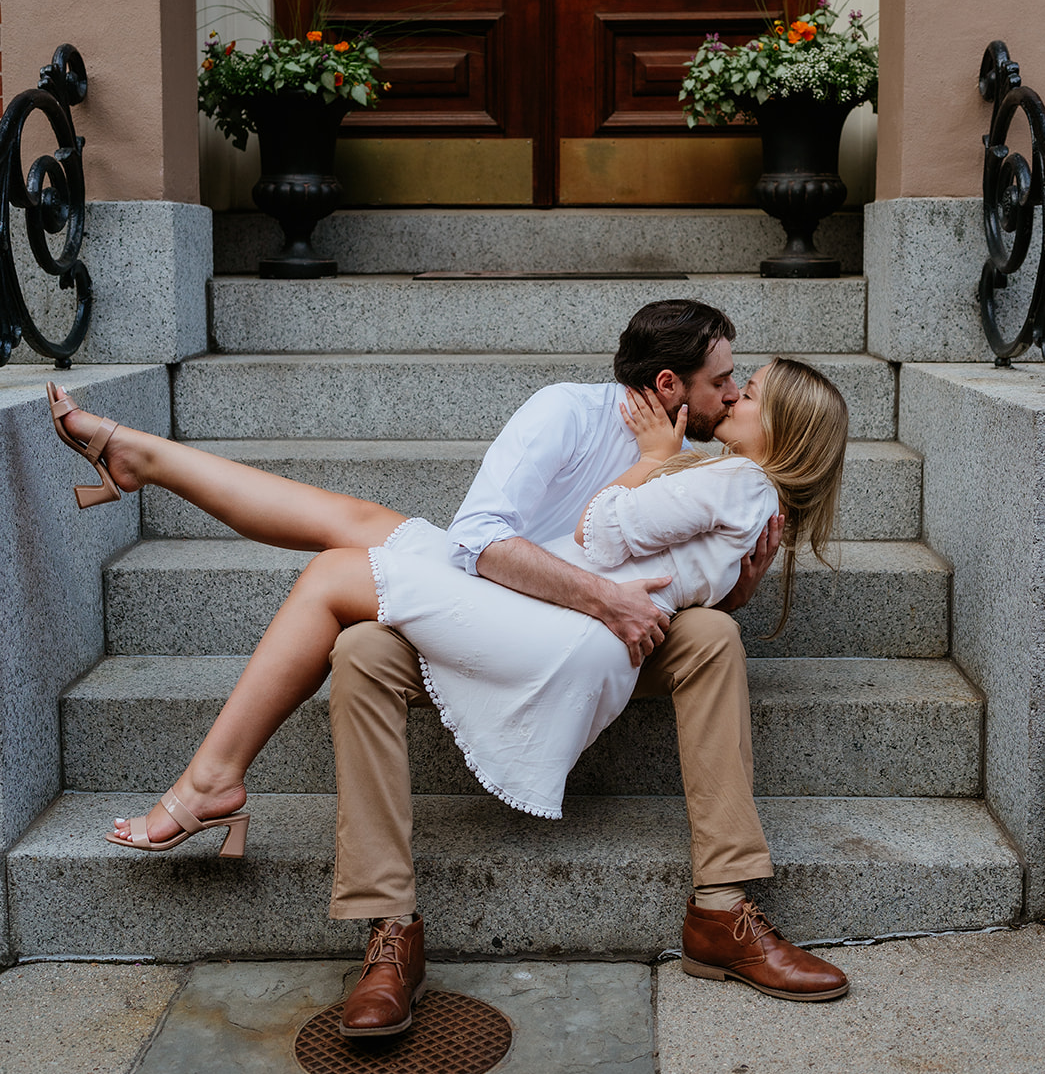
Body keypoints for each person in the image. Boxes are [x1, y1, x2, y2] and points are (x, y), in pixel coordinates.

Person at [45, 299, 851, 1034]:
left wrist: (730, 582)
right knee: (357, 621)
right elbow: (481, 543)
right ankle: (388, 928)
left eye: (743, 388)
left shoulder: (707, 466)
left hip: (568, 637)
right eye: (726, 383)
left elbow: (665, 562)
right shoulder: (568, 416)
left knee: (710, 635)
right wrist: (609, 583)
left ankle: (724, 905)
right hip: (510, 606)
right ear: (672, 384)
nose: (734, 392)